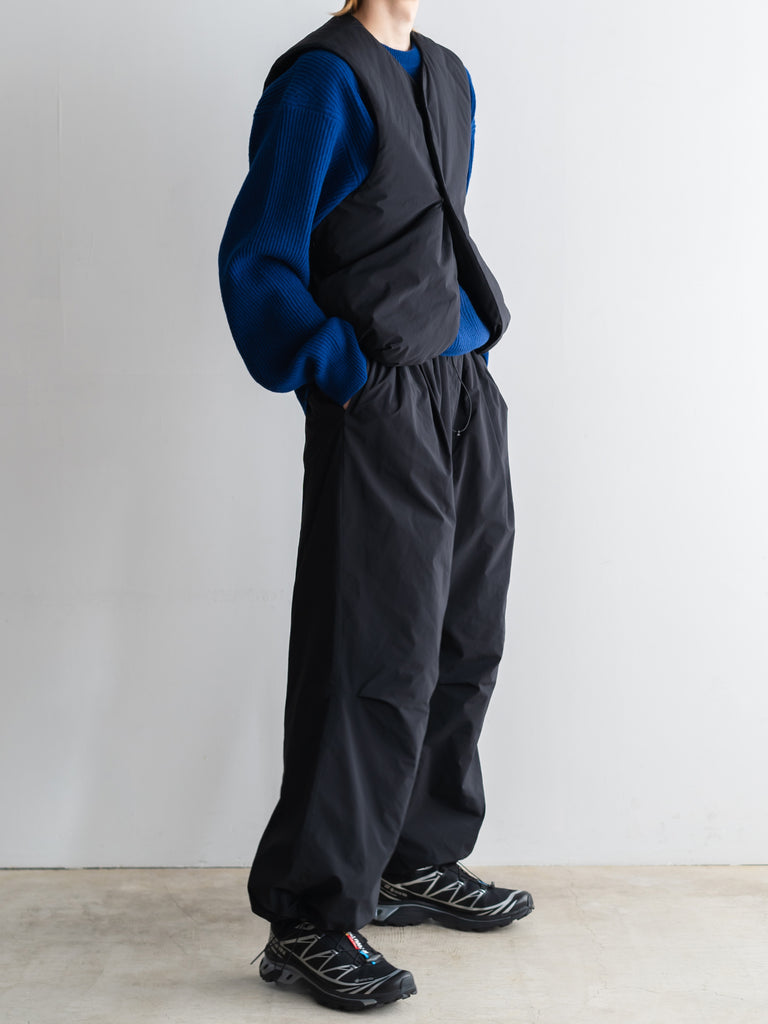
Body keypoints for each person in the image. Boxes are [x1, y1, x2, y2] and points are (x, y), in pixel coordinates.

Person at [218, 0, 534, 1011]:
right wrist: (341, 370)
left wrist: (464, 354)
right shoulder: (321, 81)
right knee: (370, 657)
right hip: (381, 396)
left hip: (462, 387)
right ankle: (310, 918)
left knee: (462, 634)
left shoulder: (448, 74)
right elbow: (259, 257)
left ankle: (411, 856)